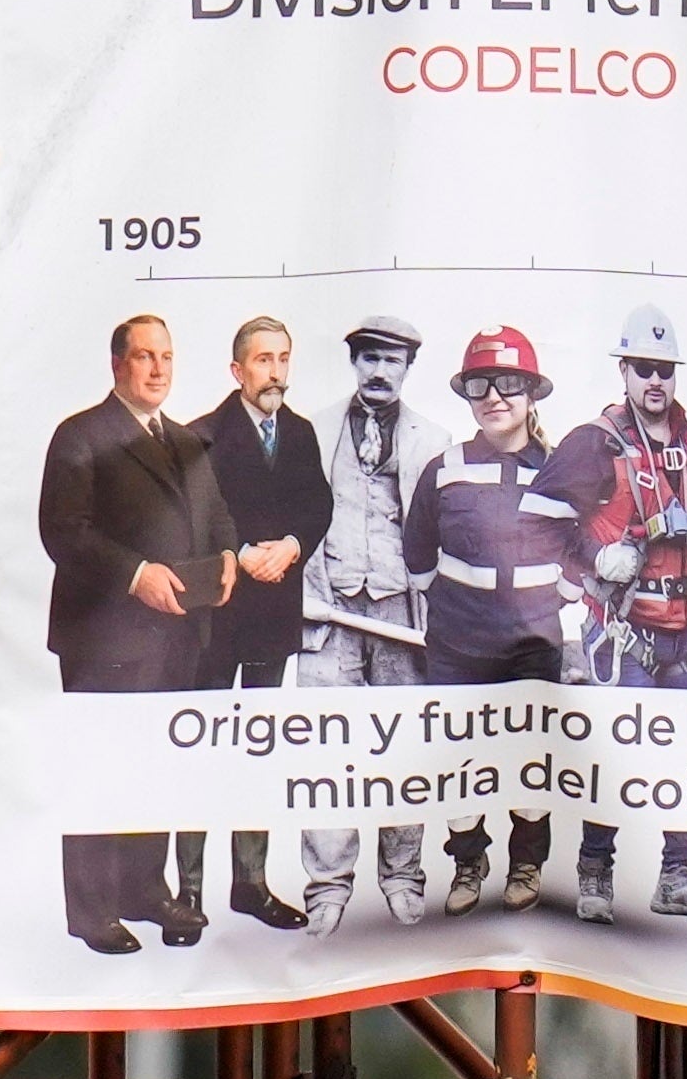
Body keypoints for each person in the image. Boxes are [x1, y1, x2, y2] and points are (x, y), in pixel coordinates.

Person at [36, 310, 218, 953]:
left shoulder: (186, 440)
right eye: (145, 357)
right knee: (97, 769)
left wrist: (227, 562)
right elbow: (64, 530)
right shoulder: (82, 434)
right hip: (104, 639)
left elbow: (214, 519)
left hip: (175, 636)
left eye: (166, 356)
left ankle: (145, 891)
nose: (159, 368)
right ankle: (90, 911)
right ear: (118, 364)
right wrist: (135, 573)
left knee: (157, 770)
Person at [410, 330, 589, 909]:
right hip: (458, 647)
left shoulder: (563, 471)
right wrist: (459, 607)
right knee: (458, 765)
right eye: (481, 385)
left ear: (532, 393)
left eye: (510, 384)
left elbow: (582, 550)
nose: (495, 397)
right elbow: (418, 553)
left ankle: (526, 865)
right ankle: (467, 863)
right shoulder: (445, 468)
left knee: (531, 768)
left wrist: (554, 594)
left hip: (532, 646)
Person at [570, 307, 687, 923]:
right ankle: (594, 875)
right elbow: (542, 517)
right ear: (624, 370)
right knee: (613, 758)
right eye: (643, 368)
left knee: (685, 760)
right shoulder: (596, 441)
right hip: (625, 631)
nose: (654, 380)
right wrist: (594, 555)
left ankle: (680, 877)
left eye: (664, 369)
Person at [287, 314, 434, 929]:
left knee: (405, 743)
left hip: (401, 611)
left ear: (407, 369)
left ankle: (402, 878)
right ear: (354, 364)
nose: (379, 371)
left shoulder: (435, 440)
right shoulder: (312, 432)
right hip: (331, 609)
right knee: (327, 748)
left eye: (391, 361)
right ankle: (327, 887)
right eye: (369, 358)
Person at [189, 319, 329, 923]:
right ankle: (188, 893)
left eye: (283, 359)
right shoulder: (203, 434)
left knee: (259, 747)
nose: (275, 371)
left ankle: (250, 884)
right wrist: (243, 553)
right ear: (237, 370)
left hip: (274, 614)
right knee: (204, 748)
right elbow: (199, 512)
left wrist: (293, 546)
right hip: (217, 617)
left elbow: (315, 502)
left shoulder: (298, 433)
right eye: (263, 360)